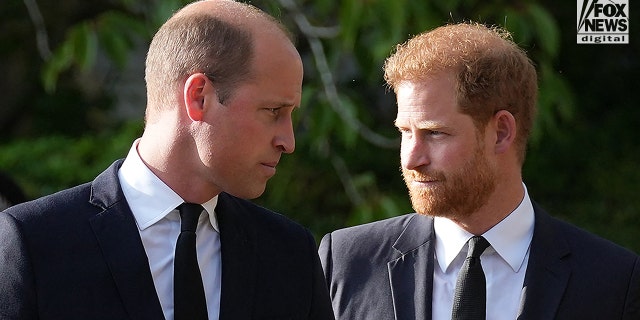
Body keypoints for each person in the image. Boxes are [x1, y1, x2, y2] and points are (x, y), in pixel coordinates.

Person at [0, 1, 334, 319]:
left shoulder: (289, 253)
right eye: (273, 111)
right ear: (198, 96)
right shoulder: (35, 244)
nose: (287, 142)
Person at [319, 22, 639, 320]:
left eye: (434, 133)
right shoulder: (348, 261)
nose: (411, 159)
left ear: (500, 132)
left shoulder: (613, 281)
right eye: (405, 131)